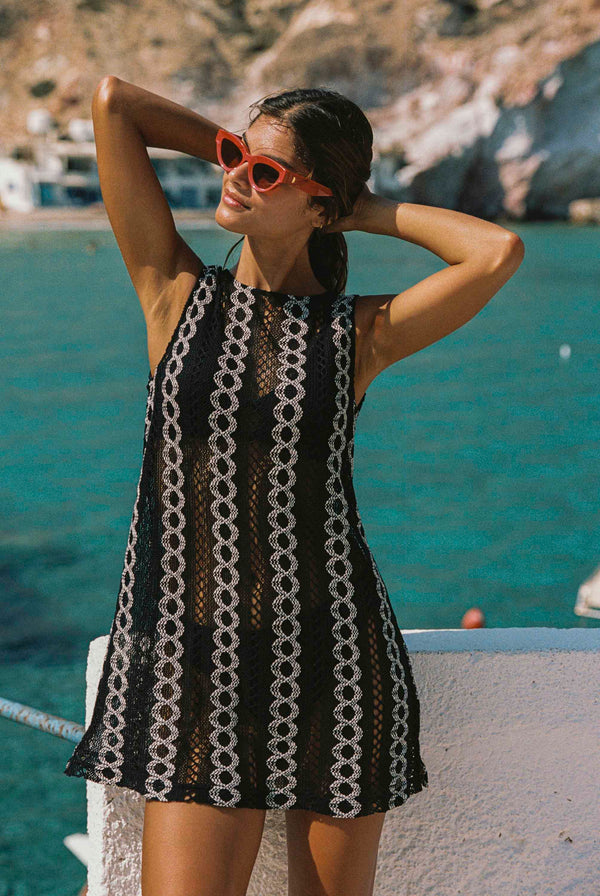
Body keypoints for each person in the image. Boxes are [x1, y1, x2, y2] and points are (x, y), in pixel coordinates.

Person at [63, 75, 524, 896]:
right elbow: (115, 105)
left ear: (322, 209)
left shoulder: (361, 334)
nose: (236, 177)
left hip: (334, 663)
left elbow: (495, 252)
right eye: (236, 157)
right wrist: (248, 157)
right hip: (192, 671)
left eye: (266, 174)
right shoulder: (174, 294)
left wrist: (363, 207)